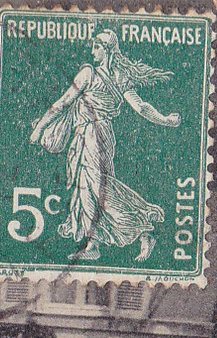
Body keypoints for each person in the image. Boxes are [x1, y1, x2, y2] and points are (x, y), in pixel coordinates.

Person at [30, 29, 179, 263]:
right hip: (99, 135)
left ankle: (142, 228)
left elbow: (63, 103)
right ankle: (93, 243)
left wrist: (39, 129)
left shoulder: (89, 74)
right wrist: (165, 119)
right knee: (86, 188)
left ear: (107, 48)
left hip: (92, 134)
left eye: (96, 46)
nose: (92, 51)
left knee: (96, 186)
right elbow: (141, 107)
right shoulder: (119, 77)